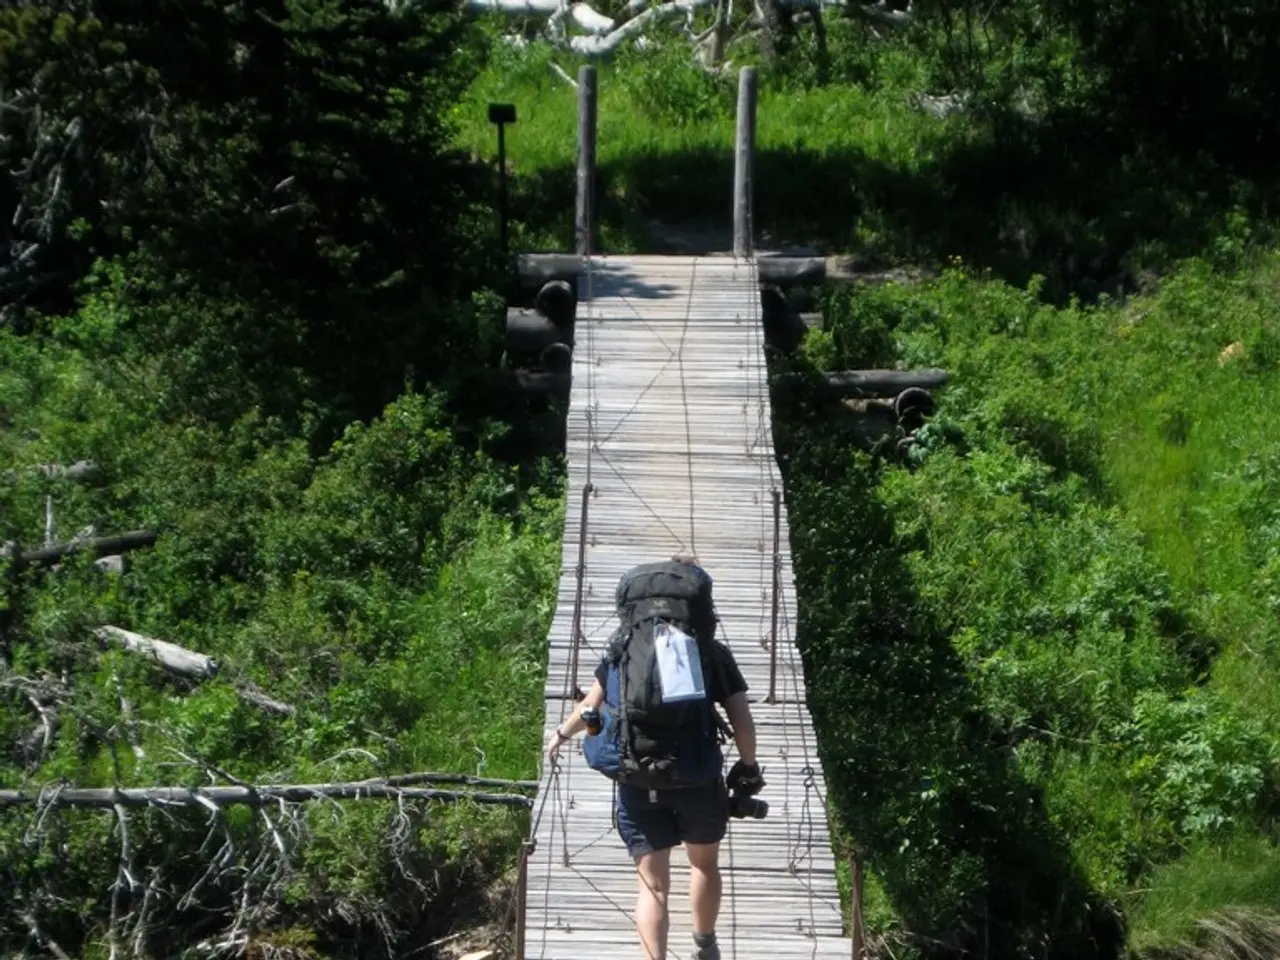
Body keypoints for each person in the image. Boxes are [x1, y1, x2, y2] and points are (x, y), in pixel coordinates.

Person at [547, 556, 765, 960]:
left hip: (637, 776)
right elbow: (742, 723)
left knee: (652, 884)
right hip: (697, 777)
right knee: (703, 866)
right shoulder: (711, 654)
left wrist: (560, 735)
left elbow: (589, 707)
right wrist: (748, 768)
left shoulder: (622, 651)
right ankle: (705, 944)